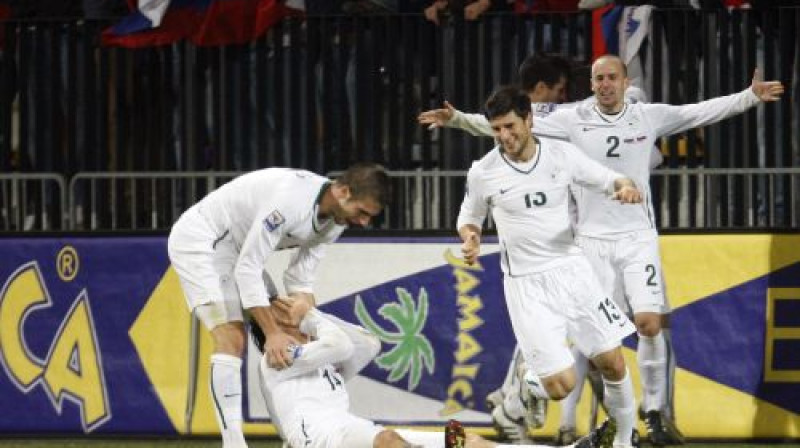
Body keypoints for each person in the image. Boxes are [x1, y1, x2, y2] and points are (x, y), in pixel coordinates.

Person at [429, 54, 785, 446]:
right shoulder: (567, 119)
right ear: (592, 83)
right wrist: (459, 119)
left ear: (625, 80)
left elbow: (696, 113)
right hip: (586, 244)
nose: (604, 85)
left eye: (612, 77)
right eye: (598, 78)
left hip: (633, 239)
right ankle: (548, 410)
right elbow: (502, 127)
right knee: (581, 353)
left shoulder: (646, 116)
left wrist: (748, 97)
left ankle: (645, 419)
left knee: (641, 331)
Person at [420, 56, 657, 446]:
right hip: (526, 286)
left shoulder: (561, 156)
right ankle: (532, 384)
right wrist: (471, 236)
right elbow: (469, 216)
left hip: (573, 269)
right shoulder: (484, 171)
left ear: (529, 120)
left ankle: (624, 441)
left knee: (612, 361)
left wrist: (624, 186)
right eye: (497, 130)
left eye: (510, 127)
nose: (505, 137)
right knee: (561, 385)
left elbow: (608, 177)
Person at [167, 163, 391, 448]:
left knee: (290, 328)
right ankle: (233, 444)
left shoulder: (336, 220)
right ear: (344, 192)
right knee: (231, 338)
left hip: (238, 251)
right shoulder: (290, 201)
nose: (363, 222)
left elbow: (299, 279)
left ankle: (313, 414)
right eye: (362, 212)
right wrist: (272, 333)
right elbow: (248, 269)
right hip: (203, 241)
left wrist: (304, 312)